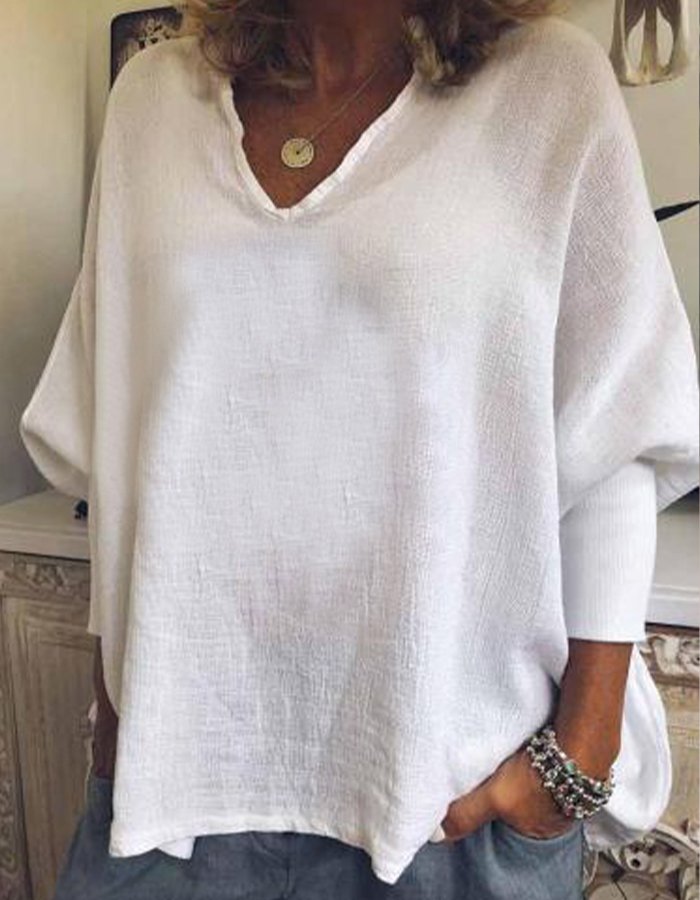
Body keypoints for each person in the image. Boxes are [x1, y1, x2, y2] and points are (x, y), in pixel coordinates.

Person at [19, 1, 699, 898]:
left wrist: (579, 756)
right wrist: (114, 731)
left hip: (445, 804)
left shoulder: (549, 85)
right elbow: (123, 431)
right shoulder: (152, 101)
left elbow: (614, 429)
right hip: (171, 802)